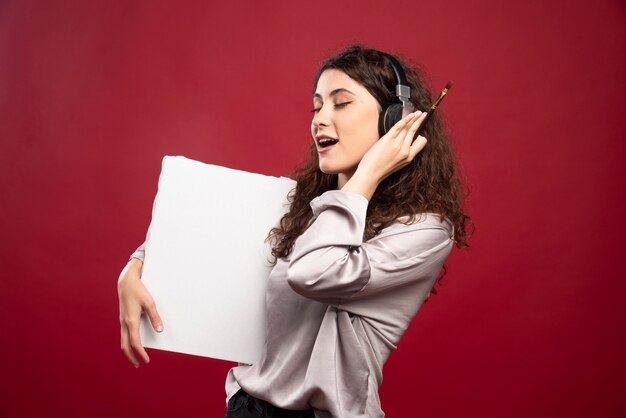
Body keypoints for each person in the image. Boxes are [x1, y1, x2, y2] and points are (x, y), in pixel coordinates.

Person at [117, 45, 470, 418]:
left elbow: (313, 272)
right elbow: (196, 234)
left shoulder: (424, 231)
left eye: (341, 103)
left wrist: (367, 175)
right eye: (316, 107)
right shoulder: (301, 204)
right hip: (248, 408)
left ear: (394, 119)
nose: (319, 120)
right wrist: (134, 268)